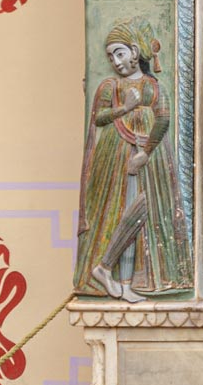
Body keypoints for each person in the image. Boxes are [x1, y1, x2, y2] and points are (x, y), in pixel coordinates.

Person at [76, 21, 187, 302]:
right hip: (115, 155)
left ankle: (112, 272)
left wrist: (146, 153)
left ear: (135, 51)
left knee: (142, 212)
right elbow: (98, 118)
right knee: (123, 211)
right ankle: (113, 277)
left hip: (148, 157)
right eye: (111, 56)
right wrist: (123, 108)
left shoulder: (152, 86)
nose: (115, 61)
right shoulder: (110, 86)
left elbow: (163, 119)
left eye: (120, 53)